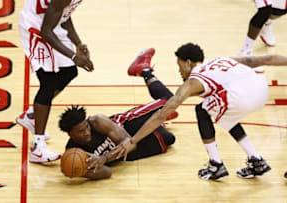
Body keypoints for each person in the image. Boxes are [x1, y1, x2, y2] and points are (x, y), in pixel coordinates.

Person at [113, 43, 287, 181]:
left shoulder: (193, 81)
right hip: (261, 89)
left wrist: (133, 140)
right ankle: (256, 161)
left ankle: (216, 164)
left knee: (202, 110)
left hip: (241, 95)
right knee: (222, 112)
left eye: (180, 65)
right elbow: (268, 58)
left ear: (189, 62)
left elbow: (162, 114)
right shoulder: (221, 60)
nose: (179, 71)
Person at [58, 50, 178, 179]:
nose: (87, 132)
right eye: (81, 131)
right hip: (126, 153)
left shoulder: (97, 121)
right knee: (169, 139)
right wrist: (82, 170)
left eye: (86, 127)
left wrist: (104, 158)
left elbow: (129, 143)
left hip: (130, 125)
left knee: (170, 101)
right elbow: (107, 173)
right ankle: (157, 118)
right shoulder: (74, 152)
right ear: (70, 134)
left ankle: (144, 70)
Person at [16, 0, 94, 163]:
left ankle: (32, 115)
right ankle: (38, 148)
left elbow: (64, 14)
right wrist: (73, 56)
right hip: (35, 26)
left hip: (49, 24)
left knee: (69, 72)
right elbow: (46, 31)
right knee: (49, 82)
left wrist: (78, 43)